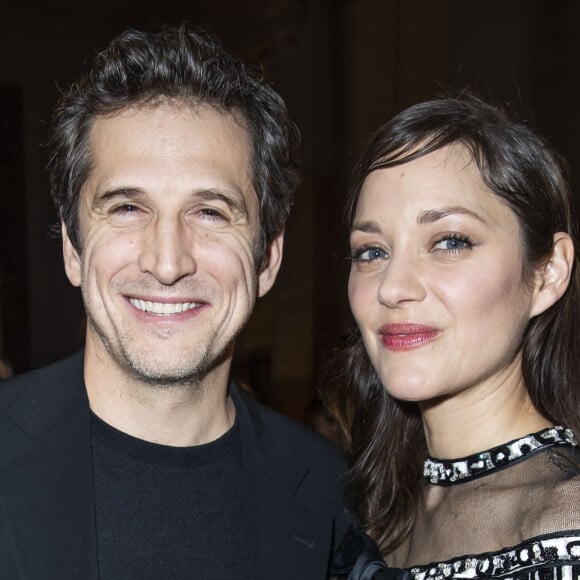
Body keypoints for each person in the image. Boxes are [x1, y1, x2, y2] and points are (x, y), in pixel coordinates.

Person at [0, 26, 347, 579]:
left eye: (210, 212)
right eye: (127, 208)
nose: (167, 262)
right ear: (72, 248)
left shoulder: (333, 496)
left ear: (267, 259)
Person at [327, 94, 580, 579]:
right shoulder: (369, 505)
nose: (393, 288)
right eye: (372, 251)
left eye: (450, 242)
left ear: (547, 273)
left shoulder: (564, 528)